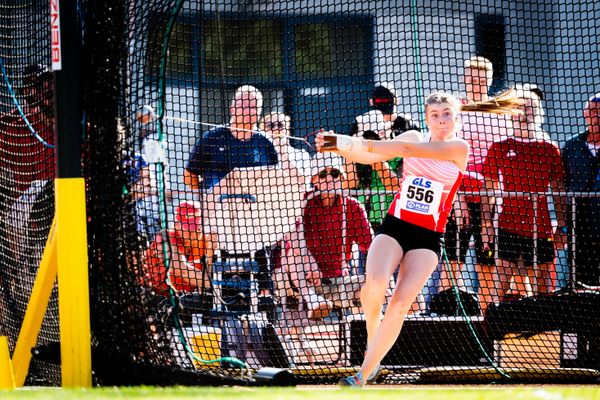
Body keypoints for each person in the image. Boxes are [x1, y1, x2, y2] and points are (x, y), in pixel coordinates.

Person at [317, 91, 523, 387]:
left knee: (400, 303)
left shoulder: (458, 148)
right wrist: (338, 146)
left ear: (456, 117)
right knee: (373, 285)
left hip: (428, 238)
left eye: (446, 114)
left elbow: (401, 148)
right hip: (395, 227)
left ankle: (363, 373)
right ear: (427, 118)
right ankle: (374, 348)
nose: (441, 119)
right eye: (435, 115)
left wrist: (351, 141)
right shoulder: (414, 136)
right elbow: (370, 155)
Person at [481, 86, 567, 300]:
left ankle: (545, 330)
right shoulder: (499, 147)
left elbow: (558, 190)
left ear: (539, 112)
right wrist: (487, 224)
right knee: (500, 284)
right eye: (520, 108)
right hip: (508, 226)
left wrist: (563, 226)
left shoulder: (550, 148)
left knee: (544, 290)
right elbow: (488, 190)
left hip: (542, 228)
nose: (525, 113)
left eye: (530, 108)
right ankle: (491, 330)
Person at [441, 56, 509, 315]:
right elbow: (447, 156)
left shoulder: (498, 112)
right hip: (456, 196)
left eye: (481, 79)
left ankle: (485, 318)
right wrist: (458, 201)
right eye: (471, 78)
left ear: (489, 80)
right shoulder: (453, 110)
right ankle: (444, 314)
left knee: (487, 263)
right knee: (453, 261)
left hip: (489, 198)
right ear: (464, 79)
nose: (476, 83)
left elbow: (498, 161)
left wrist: (488, 213)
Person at [279, 152, 373, 319]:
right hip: (303, 277)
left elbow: (371, 246)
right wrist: (311, 264)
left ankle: (366, 338)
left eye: (334, 174)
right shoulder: (301, 201)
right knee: (291, 256)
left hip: (338, 281)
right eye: (323, 174)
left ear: (341, 178)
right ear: (314, 179)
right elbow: (292, 241)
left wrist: (384, 277)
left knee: (375, 289)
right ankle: (312, 301)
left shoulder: (353, 206)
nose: (329, 179)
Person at [347, 83, 420, 229]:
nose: (385, 118)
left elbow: (397, 184)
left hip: (400, 211)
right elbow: (351, 182)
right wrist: (353, 147)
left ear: (396, 100)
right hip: (369, 211)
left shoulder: (408, 127)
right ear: (371, 102)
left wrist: (375, 148)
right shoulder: (361, 124)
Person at [184, 85, 278, 192]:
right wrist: (206, 198)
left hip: (257, 204)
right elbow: (190, 175)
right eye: (244, 106)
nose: (249, 111)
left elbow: (275, 177)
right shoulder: (212, 138)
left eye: (254, 107)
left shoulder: (266, 142)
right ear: (232, 109)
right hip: (218, 204)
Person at [561, 93, 600, 287]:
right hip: (579, 225)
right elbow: (562, 183)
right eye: (592, 111)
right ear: (585, 114)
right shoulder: (572, 146)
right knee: (580, 280)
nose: (596, 116)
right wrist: (562, 224)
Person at [143, 200, 214, 301]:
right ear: (177, 225)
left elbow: (206, 278)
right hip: (153, 297)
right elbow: (182, 271)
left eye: (197, 228)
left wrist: (211, 250)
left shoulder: (206, 241)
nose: (194, 233)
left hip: (184, 299)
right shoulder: (165, 238)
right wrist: (217, 284)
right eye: (188, 229)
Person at [259, 112, 311, 189]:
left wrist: (283, 153)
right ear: (263, 132)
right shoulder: (258, 155)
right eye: (270, 126)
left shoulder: (302, 154)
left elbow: (304, 183)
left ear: (288, 130)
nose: (276, 129)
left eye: (280, 125)